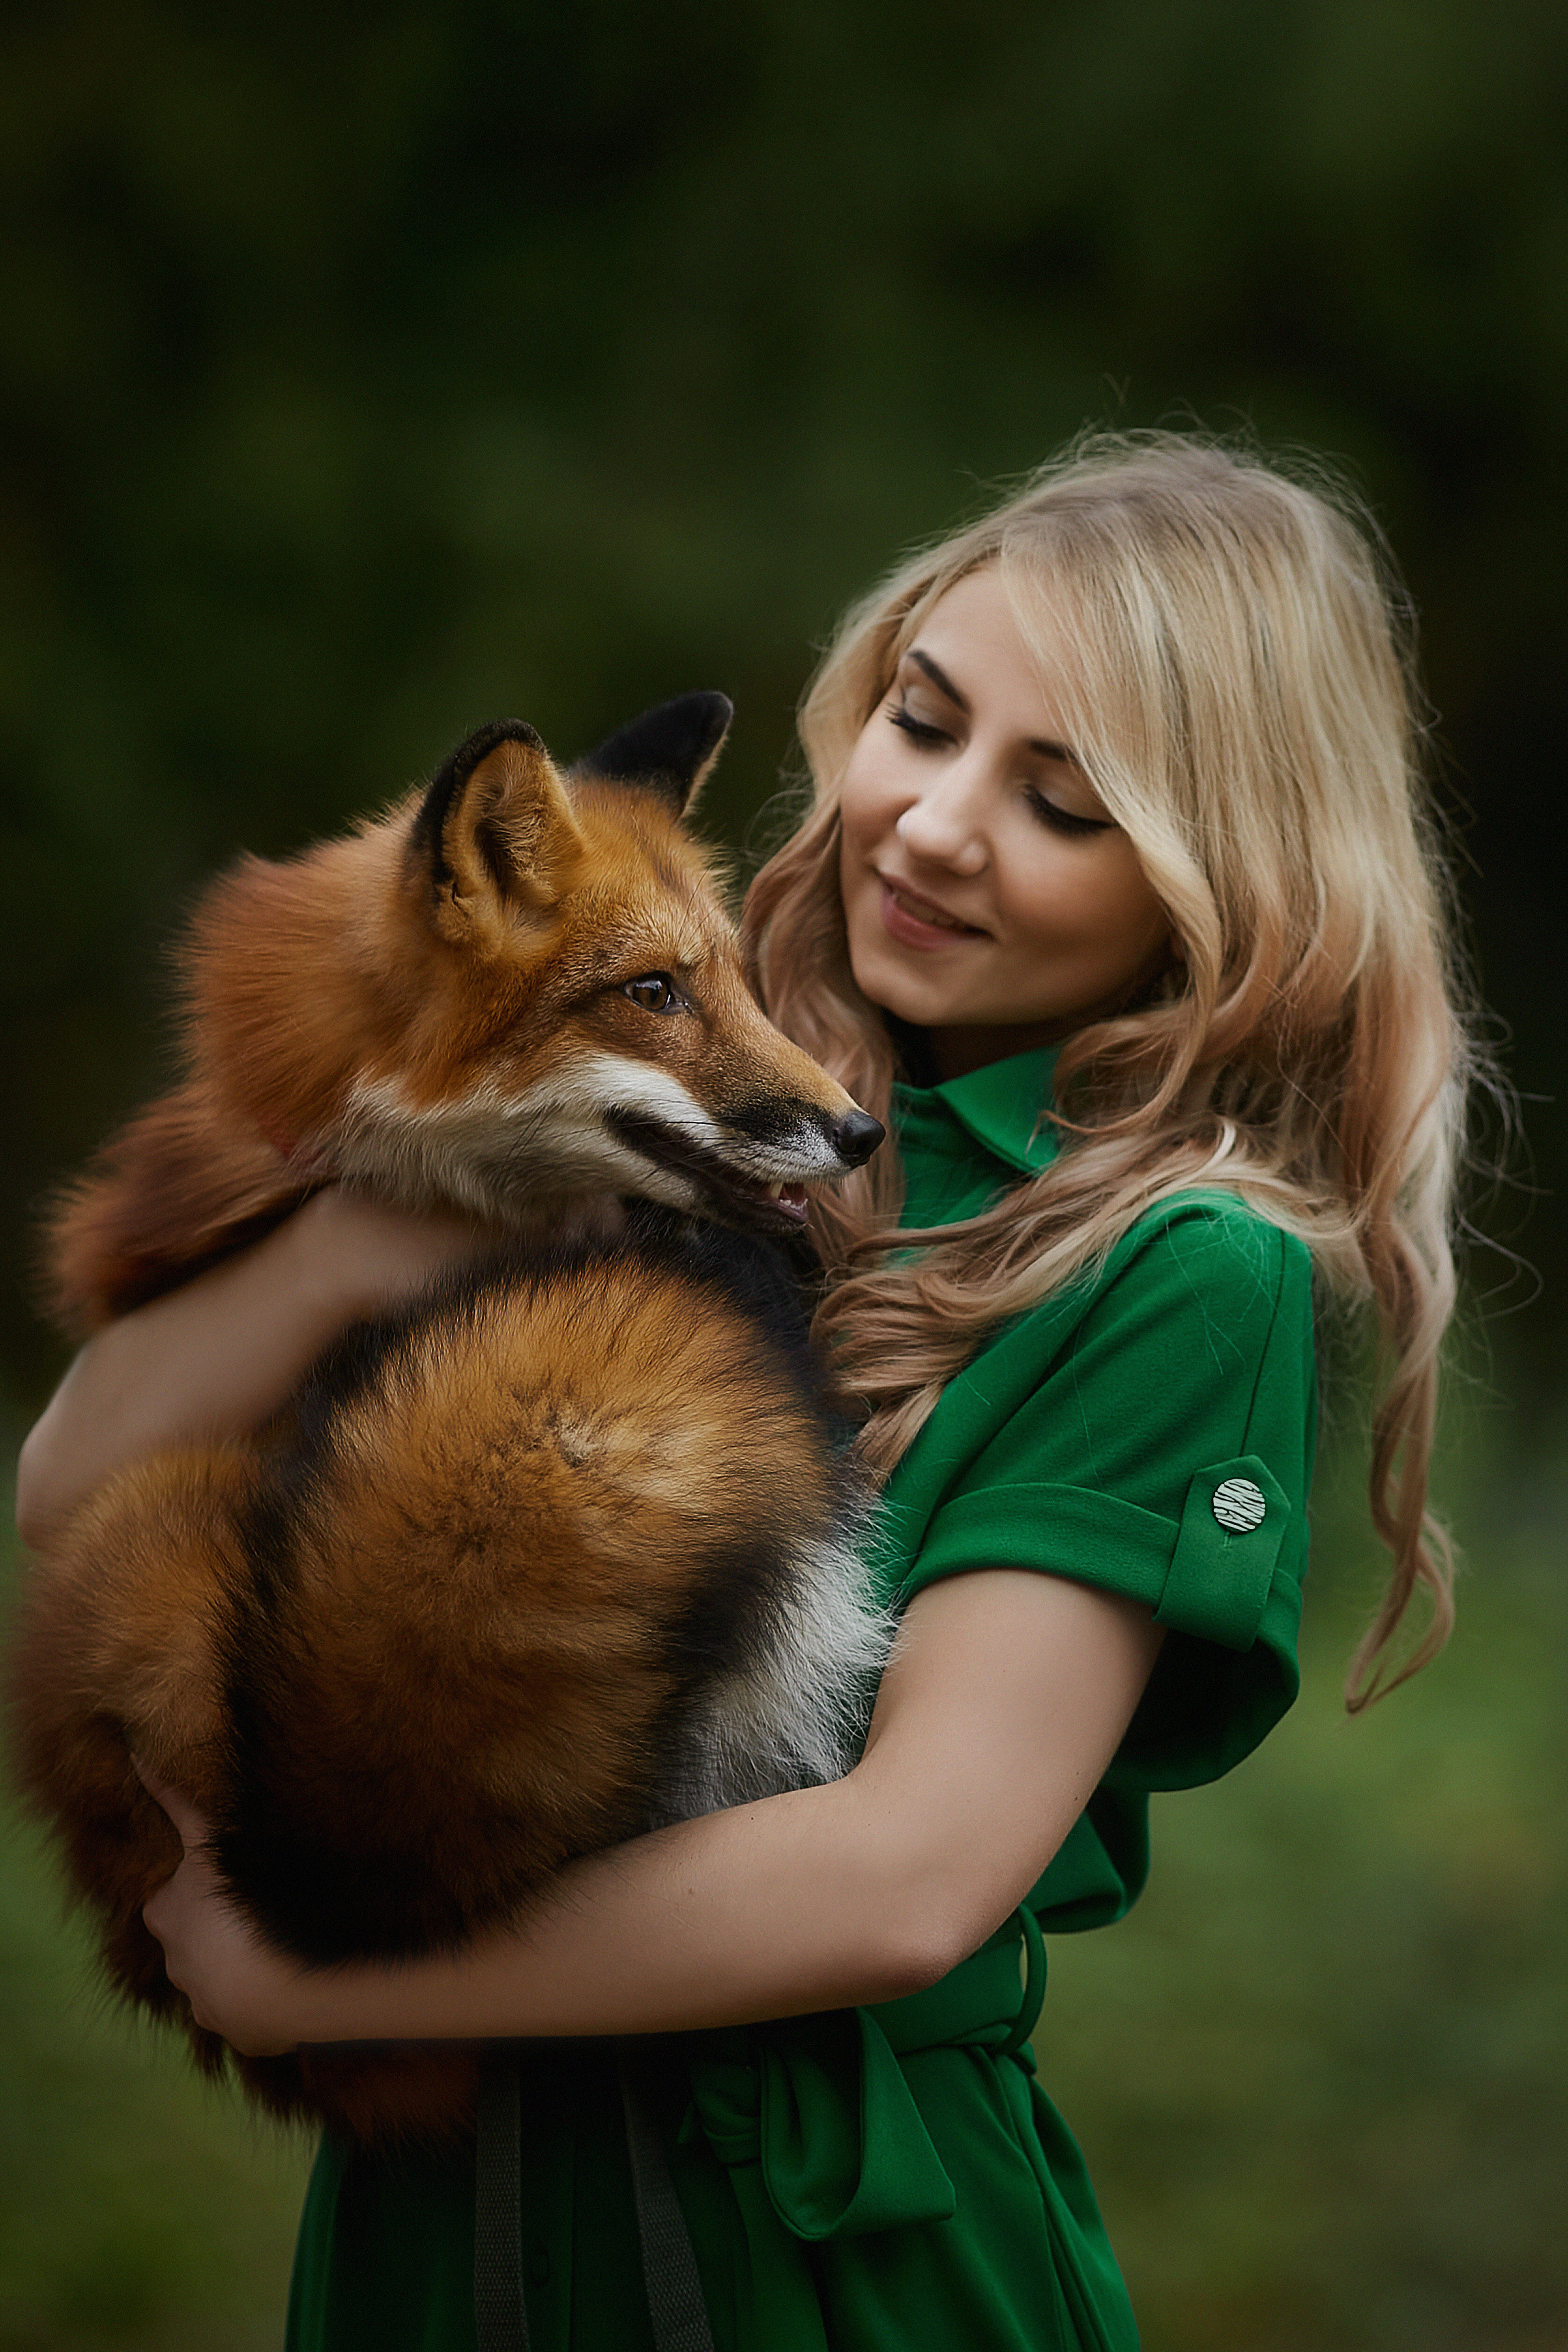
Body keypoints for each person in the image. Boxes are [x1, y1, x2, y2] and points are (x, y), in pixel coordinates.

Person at [16, 432, 1475, 2351]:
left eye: (1060, 804)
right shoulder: (635, 1070)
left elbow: (905, 1879)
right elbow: (69, 1490)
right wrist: (369, 1237)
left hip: (813, 2258)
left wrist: (320, 1984)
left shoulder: (1177, 1264)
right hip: (427, 2246)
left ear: (1226, 885)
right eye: (921, 721)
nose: (934, 824)